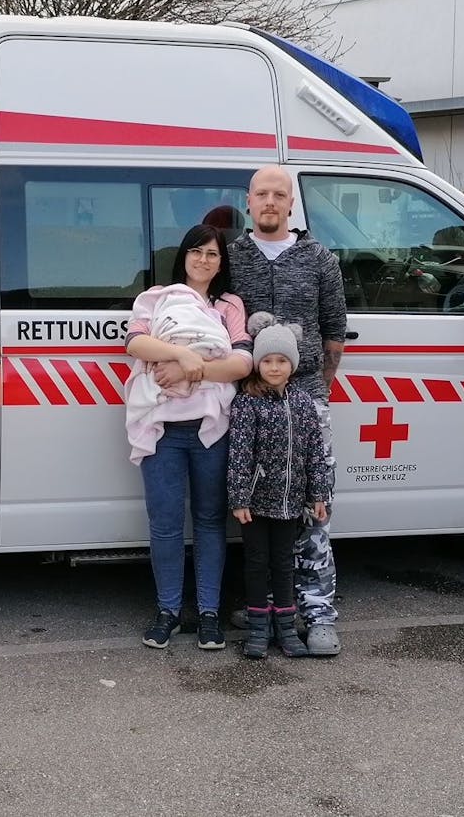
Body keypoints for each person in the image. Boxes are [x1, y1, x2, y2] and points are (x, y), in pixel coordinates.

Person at [224, 166, 347, 656]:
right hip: (250, 399)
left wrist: (316, 393)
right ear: (248, 202)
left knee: (313, 511)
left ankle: (317, 613)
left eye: (280, 194)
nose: (270, 201)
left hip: (307, 395)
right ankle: (272, 605)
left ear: (291, 203)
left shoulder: (319, 257)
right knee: (258, 509)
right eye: (261, 194)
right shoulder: (232, 256)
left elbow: (334, 329)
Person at [125, 224, 253, 650]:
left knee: (211, 522)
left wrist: (185, 369)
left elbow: (241, 364)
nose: (204, 260)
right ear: (184, 256)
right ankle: (168, 611)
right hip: (162, 429)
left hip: (210, 430)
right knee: (164, 524)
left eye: (213, 254)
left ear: (222, 263)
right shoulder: (160, 297)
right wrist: (179, 352)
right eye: (197, 251)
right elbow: (136, 343)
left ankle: (210, 614)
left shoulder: (231, 305)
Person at [227, 315, 333, 659]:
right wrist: (239, 497)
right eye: (268, 361)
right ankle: (259, 629)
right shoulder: (246, 402)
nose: (274, 367)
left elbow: (316, 452)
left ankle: (286, 629)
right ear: (258, 364)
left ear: (293, 364)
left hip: (291, 503)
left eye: (282, 361)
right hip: (256, 504)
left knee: (285, 563)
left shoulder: (303, 403)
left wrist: (317, 494)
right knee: (257, 562)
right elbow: (240, 453)